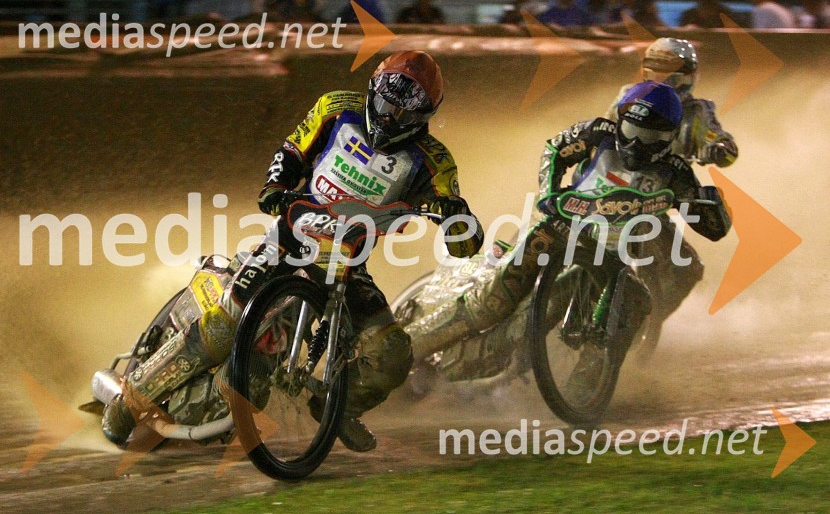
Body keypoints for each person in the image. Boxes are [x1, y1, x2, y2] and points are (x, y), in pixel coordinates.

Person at [102, 51, 485, 452]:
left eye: (404, 115)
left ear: (424, 117)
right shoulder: (336, 107)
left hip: (347, 264)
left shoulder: (435, 161)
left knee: (391, 353)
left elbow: (465, 244)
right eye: (387, 106)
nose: (390, 119)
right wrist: (275, 188)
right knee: (222, 326)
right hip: (289, 237)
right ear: (373, 90)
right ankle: (128, 403)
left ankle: (337, 409)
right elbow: (293, 150)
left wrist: (454, 215)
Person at [405, 81, 731, 366]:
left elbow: (713, 224)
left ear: (669, 137)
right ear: (621, 122)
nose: (636, 145)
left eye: (649, 137)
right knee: (494, 300)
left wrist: (711, 204)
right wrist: (549, 192)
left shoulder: (677, 169)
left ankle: (591, 371)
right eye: (632, 133)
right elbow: (555, 148)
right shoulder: (597, 133)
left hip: (615, 249)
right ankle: (407, 347)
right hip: (561, 226)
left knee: (645, 289)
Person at [603, 38, 737, 342]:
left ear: (687, 74)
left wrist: (718, 148)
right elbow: (602, 129)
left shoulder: (696, 112)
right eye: (657, 67)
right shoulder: (627, 96)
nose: (663, 76)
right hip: (605, 189)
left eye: (670, 69)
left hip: (652, 204)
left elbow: (718, 139)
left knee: (686, 269)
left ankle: (642, 326)